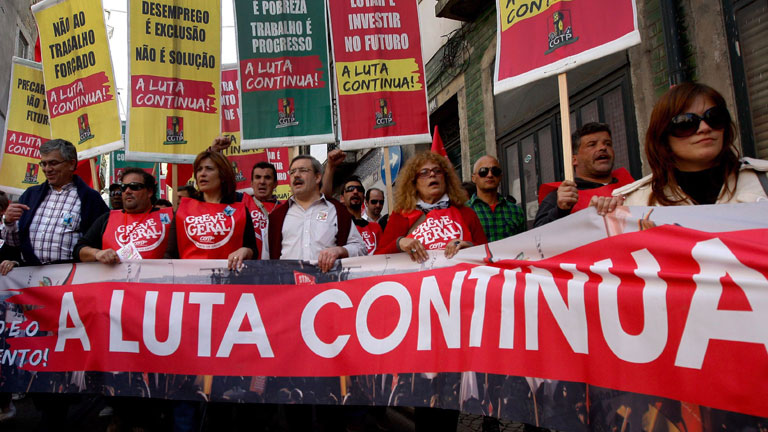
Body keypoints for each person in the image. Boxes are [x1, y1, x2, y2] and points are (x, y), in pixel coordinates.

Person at [611, 82, 768, 206]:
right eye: (686, 123)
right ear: (663, 136)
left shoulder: (763, 179)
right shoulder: (634, 204)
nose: (705, 128)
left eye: (714, 117)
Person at [0, 139, 109, 270]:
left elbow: (100, 241)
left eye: (53, 163)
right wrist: (9, 223)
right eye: (43, 164)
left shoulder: (90, 198)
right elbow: (14, 243)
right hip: (30, 279)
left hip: (71, 279)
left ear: (71, 164)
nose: (47, 169)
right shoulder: (30, 195)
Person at [375, 151, 487, 261]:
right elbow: (378, 258)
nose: (432, 174)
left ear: (446, 179)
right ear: (414, 183)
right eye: (424, 173)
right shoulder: (401, 215)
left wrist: (468, 245)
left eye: (438, 171)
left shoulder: (466, 213)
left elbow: (487, 252)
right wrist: (400, 242)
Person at [268, 155, 367, 271]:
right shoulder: (277, 217)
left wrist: (340, 251)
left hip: (328, 285)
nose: (296, 175)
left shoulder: (337, 211)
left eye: (303, 170)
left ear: (317, 177)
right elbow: (265, 260)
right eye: (292, 172)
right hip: (289, 286)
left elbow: (360, 248)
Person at [168, 151, 258, 270]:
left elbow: (253, 250)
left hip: (229, 280)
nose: (202, 174)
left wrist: (246, 251)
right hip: (189, 281)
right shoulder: (184, 210)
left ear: (223, 175)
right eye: (199, 170)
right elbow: (170, 254)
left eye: (209, 169)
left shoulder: (240, 210)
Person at [534, 122, 634, 227]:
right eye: (592, 144)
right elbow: (537, 239)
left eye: (608, 143)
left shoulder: (634, 188)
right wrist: (560, 210)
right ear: (574, 159)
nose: (603, 148)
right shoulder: (562, 196)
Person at [74, 168, 174, 263]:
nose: (127, 191)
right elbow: (79, 249)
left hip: (157, 279)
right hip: (116, 280)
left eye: (134, 186)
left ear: (149, 192)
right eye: (123, 187)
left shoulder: (170, 217)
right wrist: (97, 253)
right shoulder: (106, 218)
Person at [468, 156, 525, 241]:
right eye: (483, 171)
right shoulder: (463, 211)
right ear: (474, 178)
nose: (490, 175)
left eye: (495, 171)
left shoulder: (516, 211)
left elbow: (524, 244)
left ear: (500, 176)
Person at [340, 176, 382, 255]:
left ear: (363, 197)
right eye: (350, 189)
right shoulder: (338, 228)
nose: (355, 191)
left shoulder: (376, 227)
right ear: (342, 198)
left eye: (359, 189)